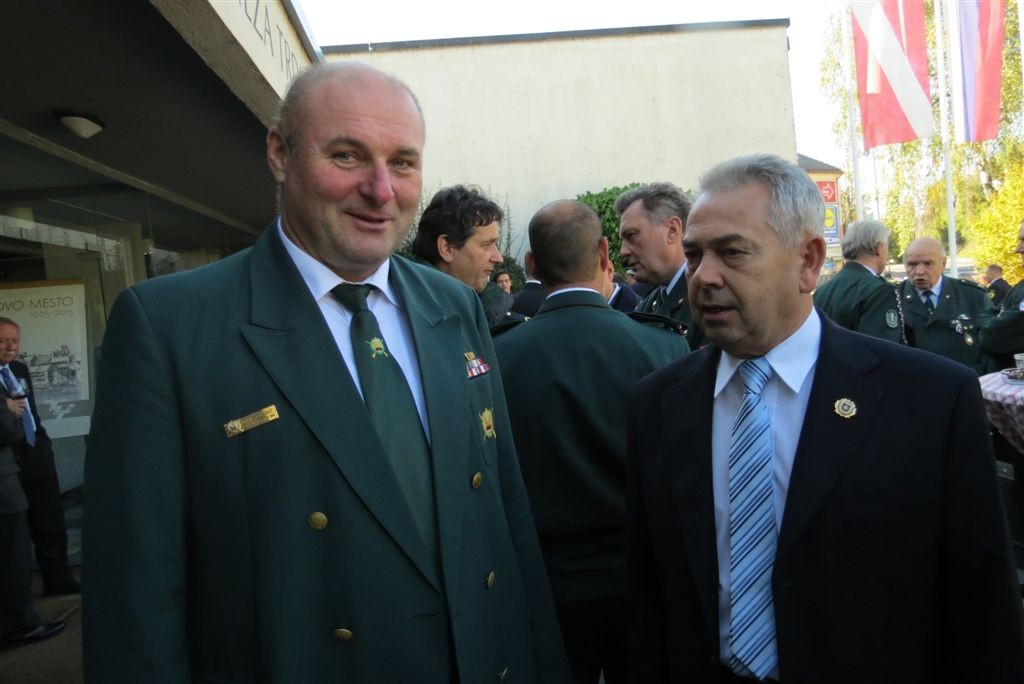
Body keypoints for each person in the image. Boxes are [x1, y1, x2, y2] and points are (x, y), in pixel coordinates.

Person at [83, 62, 570, 683]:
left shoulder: (453, 305)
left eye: (402, 162)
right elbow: (135, 595)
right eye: (347, 155)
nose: (381, 190)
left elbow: (504, 511)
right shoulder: (168, 326)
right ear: (279, 153)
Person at [628, 153, 1024, 683]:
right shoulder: (657, 404)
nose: (704, 277)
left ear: (808, 262)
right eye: (696, 255)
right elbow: (649, 596)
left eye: (733, 252)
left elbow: (982, 605)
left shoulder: (931, 399)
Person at [495, 200, 687, 683]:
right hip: (640, 582)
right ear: (604, 253)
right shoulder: (663, 345)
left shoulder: (499, 354)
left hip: (548, 587)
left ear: (532, 265)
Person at [0, 318, 79, 597]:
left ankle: (58, 581)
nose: (10, 347)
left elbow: (30, 409)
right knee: (17, 530)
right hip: (7, 459)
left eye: (15, 341)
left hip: (35, 451)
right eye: (3, 341)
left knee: (50, 520)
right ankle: (19, 597)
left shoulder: (19, 369)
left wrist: (41, 442)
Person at [0, 396, 65, 647]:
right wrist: (7, 411)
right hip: (4, 485)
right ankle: (20, 625)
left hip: (13, 473)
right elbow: (7, 430)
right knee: (13, 557)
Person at [411, 185, 519, 330]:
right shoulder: (406, 319)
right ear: (447, 248)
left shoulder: (486, 311)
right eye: (486, 245)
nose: (499, 258)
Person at [615, 182, 703, 346]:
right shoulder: (649, 303)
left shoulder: (706, 299)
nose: (623, 251)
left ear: (672, 230)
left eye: (631, 235)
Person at [899, 237, 995, 374]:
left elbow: (992, 342)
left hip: (966, 379)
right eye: (912, 264)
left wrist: (979, 375)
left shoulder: (972, 296)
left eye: (928, 263)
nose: (919, 271)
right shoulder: (893, 297)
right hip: (916, 380)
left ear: (943, 264)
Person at [812, 219, 904, 344]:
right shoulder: (879, 291)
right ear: (879, 248)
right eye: (887, 246)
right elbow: (881, 347)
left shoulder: (822, 290)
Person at [981, 221, 1024, 369]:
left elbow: (993, 337)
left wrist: (983, 321)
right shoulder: (1019, 285)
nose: (1018, 249)